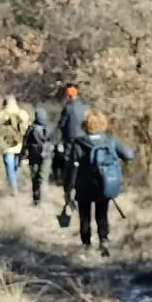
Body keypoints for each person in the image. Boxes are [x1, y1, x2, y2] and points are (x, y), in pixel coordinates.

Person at [70, 110, 135, 258]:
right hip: (104, 183)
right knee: (102, 214)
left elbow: (71, 167)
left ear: (85, 125)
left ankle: (86, 245)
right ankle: (104, 241)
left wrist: (68, 189)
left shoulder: (79, 143)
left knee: (84, 216)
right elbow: (129, 155)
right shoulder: (110, 140)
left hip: (84, 185)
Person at [55, 85, 89, 214]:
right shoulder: (86, 108)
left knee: (70, 172)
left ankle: (70, 197)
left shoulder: (68, 108)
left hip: (71, 144)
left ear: (68, 96)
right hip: (85, 144)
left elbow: (61, 125)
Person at [0, 96, 30, 194]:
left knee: (10, 167)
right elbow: (27, 127)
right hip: (19, 144)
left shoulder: (1, 114)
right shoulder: (22, 113)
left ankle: (13, 188)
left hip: (7, 146)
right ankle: (17, 183)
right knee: (15, 165)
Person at [23, 107, 53, 205]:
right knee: (43, 177)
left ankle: (36, 198)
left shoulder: (31, 128)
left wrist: (23, 155)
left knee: (35, 177)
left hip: (33, 155)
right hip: (47, 155)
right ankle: (42, 199)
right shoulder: (49, 128)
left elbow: (25, 142)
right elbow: (54, 141)